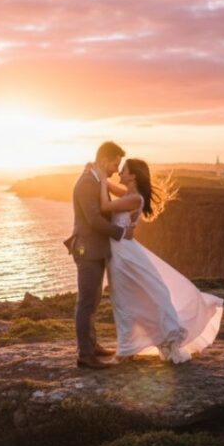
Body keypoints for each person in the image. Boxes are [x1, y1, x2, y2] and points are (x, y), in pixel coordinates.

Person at [98, 158, 223, 363]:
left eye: (123, 170)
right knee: (126, 299)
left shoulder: (134, 198)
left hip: (123, 253)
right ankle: (128, 348)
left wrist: (102, 178)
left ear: (133, 176)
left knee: (124, 300)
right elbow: (112, 188)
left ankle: (125, 351)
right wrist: (101, 175)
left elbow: (105, 205)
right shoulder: (129, 194)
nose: (119, 173)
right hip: (121, 250)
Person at [65, 141, 136, 369]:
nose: (116, 170)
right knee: (86, 302)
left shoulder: (96, 180)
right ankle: (85, 355)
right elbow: (94, 220)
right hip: (87, 250)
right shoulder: (88, 183)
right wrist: (121, 232)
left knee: (93, 300)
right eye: (115, 164)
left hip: (95, 249)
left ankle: (92, 345)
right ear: (105, 160)